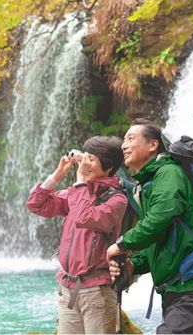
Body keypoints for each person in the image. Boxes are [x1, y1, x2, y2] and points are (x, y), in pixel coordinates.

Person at [107, 118, 193, 334]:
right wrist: (134, 265)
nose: (123, 145)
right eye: (123, 140)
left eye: (131, 138)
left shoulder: (168, 172)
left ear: (152, 145)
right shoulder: (150, 182)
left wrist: (122, 244)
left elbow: (160, 218)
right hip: (177, 286)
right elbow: (160, 241)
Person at [27, 136, 128, 334]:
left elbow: (84, 217)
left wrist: (80, 183)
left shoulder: (116, 200)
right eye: (85, 157)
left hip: (97, 291)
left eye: (91, 159)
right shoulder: (77, 193)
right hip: (68, 288)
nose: (84, 164)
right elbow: (35, 205)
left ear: (108, 168)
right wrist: (57, 175)